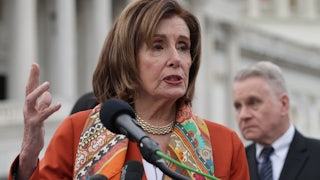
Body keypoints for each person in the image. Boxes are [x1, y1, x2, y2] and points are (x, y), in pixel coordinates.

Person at [9, 0, 250, 179]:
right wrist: (29, 153)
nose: (176, 58)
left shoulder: (225, 145)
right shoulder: (76, 132)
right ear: (127, 58)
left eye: (184, 47)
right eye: (158, 46)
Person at [232, 61, 320, 180]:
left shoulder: (316, 155)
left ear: (284, 104)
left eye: (253, 103)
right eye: (238, 106)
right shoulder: (234, 164)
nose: (243, 115)